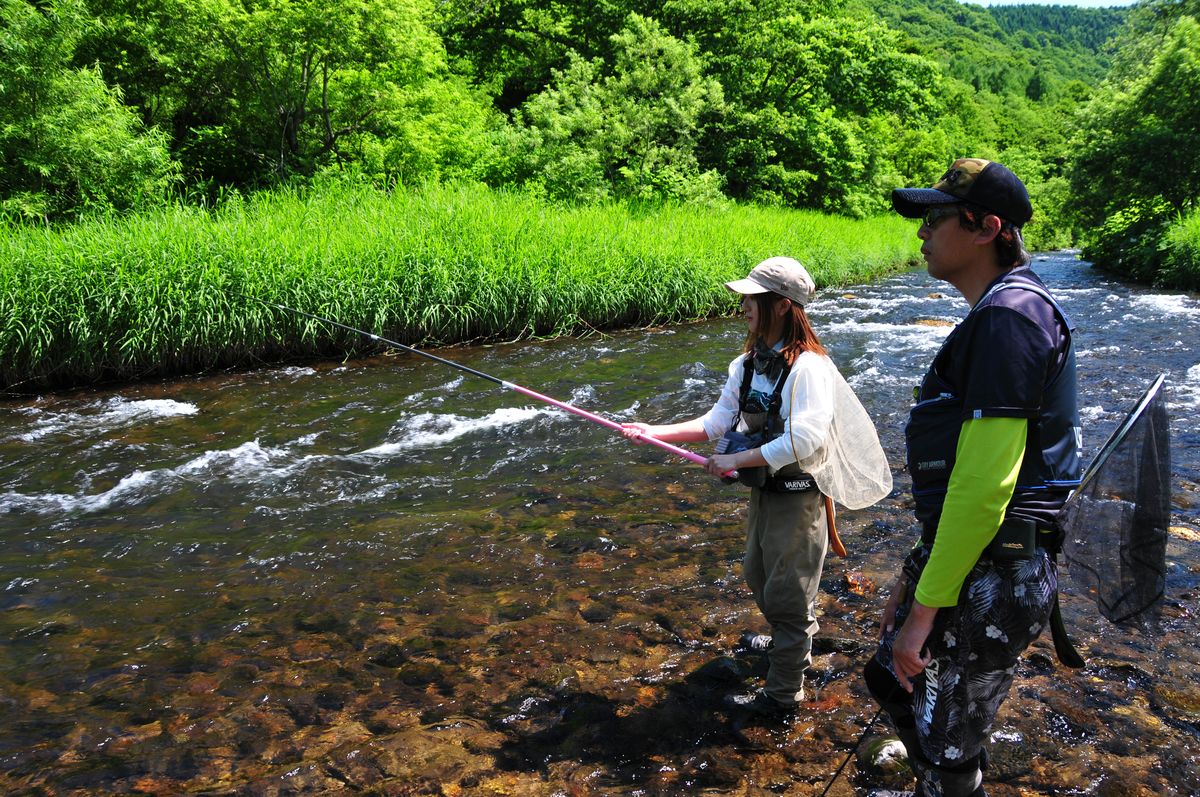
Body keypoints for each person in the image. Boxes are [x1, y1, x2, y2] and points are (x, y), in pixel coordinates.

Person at [864, 159, 1082, 796]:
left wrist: (920, 616)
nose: (922, 232)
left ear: (987, 228)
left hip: (998, 572)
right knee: (891, 681)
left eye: (933, 218)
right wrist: (914, 575)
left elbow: (985, 487)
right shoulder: (1002, 311)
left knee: (947, 754)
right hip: (976, 559)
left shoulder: (1008, 318)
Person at [622, 256, 891, 719]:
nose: (744, 304)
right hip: (763, 494)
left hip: (800, 499)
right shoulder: (746, 364)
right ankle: (793, 633)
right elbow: (716, 422)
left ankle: (784, 693)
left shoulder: (811, 369)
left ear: (783, 306)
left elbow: (804, 439)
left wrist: (734, 460)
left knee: (787, 594)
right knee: (758, 577)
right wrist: (653, 430)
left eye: (754, 297)